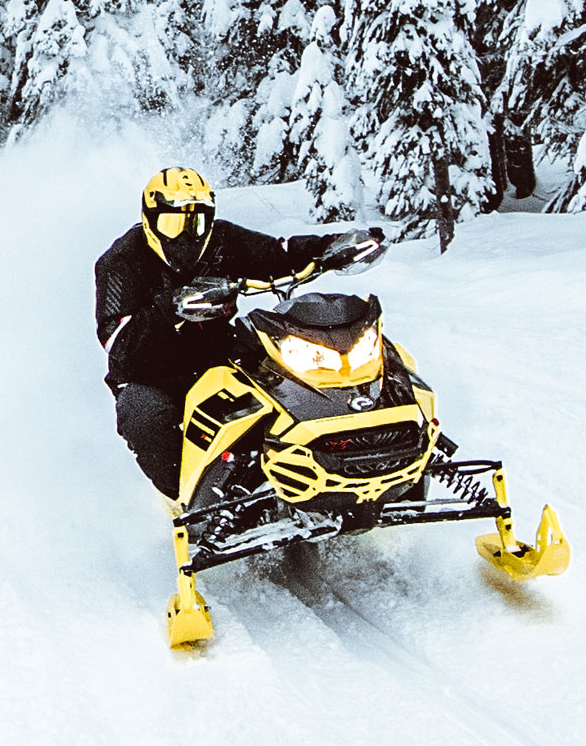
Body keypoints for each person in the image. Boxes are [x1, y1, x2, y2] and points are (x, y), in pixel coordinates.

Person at [93, 168, 386, 500]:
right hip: (151, 371)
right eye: (173, 224)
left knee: (296, 371)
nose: (186, 237)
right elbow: (119, 342)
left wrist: (331, 247)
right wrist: (169, 308)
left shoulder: (220, 240)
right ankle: (189, 503)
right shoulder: (121, 262)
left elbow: (278, 253)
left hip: (219, 350)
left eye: (197, 223)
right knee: (145, 416)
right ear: (151, 219)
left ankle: (336, 454)